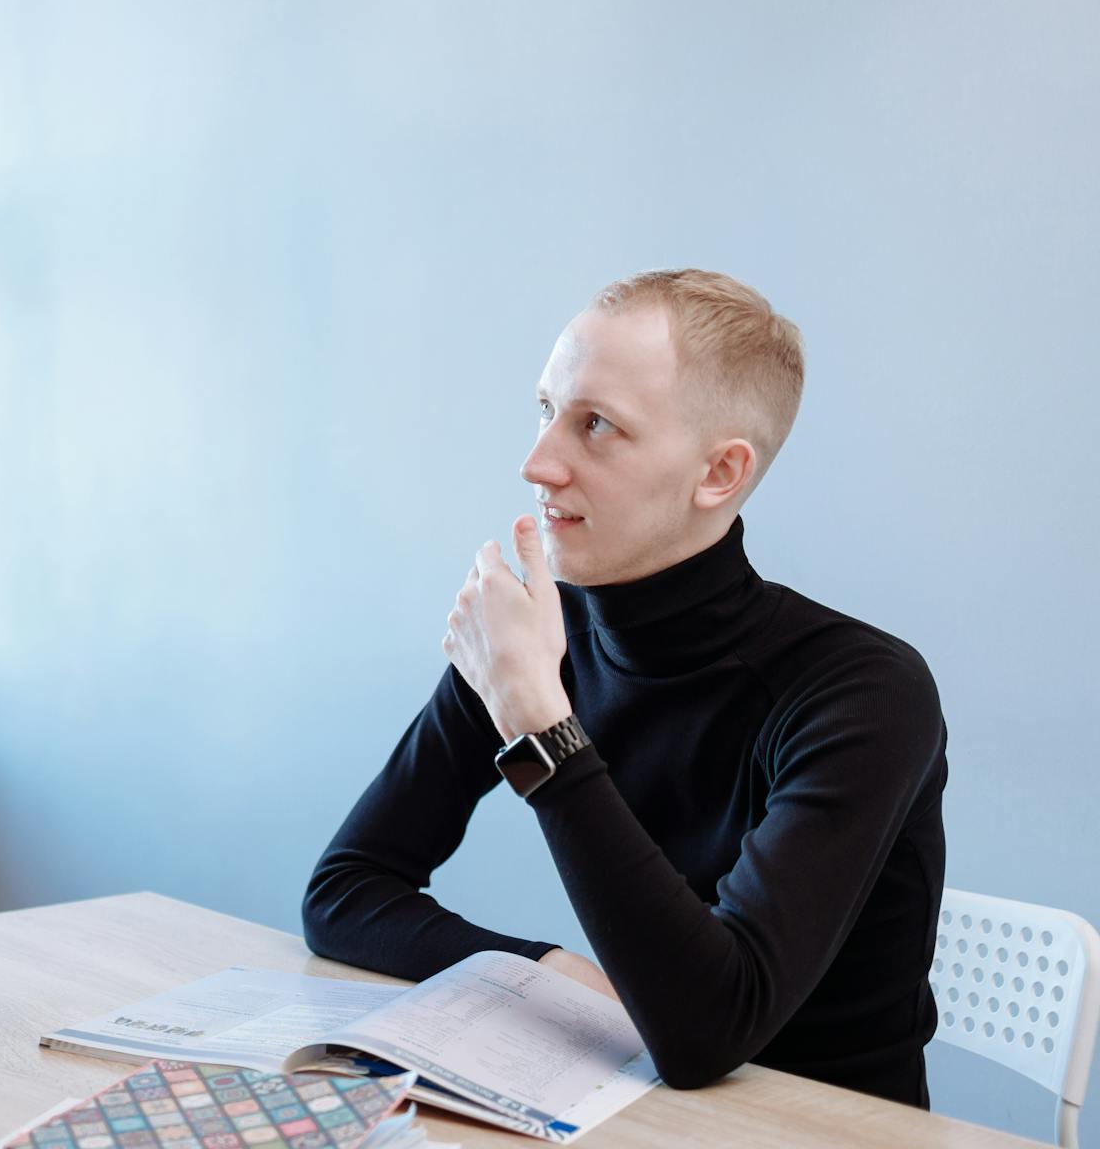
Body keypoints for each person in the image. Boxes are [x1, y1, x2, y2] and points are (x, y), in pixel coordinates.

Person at [302, 269, 947, 1106]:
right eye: (546, 410)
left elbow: (709, 1032)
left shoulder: (864, 692)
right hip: (629, 1106)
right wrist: (545, 968)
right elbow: (345, 889)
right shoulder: (540, 634)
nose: (539, 463)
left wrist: (539, 727)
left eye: (596, 426)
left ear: (719, 474)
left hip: (822, 1125)